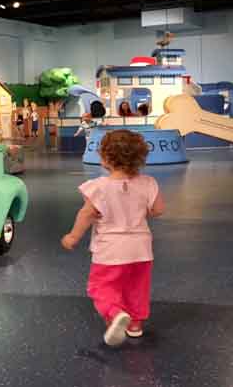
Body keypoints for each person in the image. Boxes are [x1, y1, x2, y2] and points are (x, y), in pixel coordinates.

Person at [61, 129, 165, 347]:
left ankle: (115, 314)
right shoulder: (148, 182)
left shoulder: (99, 187)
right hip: (141, 250)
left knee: (101, 287)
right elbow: (158, 209)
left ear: (106, 158)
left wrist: (73, 236)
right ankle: (135, 324)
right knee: (136, 287)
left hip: (110, 250)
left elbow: (86, 214)